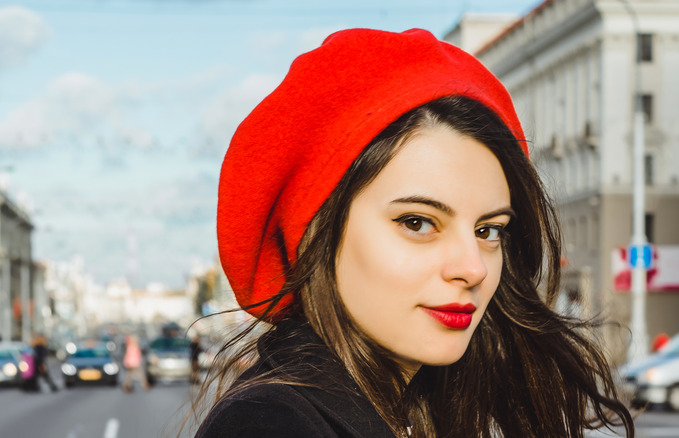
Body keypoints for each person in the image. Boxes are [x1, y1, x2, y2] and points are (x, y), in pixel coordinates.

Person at [193, 28, 634, 438]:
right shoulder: (272, 425)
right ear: (319, 235)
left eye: (489, 230)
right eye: (418, 223)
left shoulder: (414, 408)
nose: (473, 267)